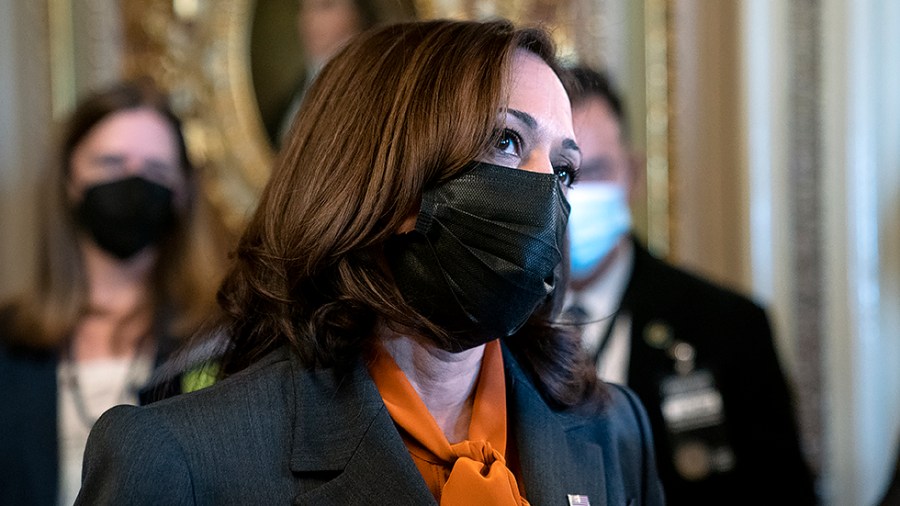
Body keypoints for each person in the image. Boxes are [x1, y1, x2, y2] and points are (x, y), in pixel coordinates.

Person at [75, 19, 665, 505]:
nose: (547, 192)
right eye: (507, 141)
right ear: (380, 175)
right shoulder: (180, 458)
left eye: (564, 170)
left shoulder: (611, 433)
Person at [561, 64, 818, 505]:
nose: (577, 196)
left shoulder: (728, 326)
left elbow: (785, 491)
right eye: (563, 173)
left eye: (597, 172)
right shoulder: (491, 323)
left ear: (633, 175)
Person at [0, 79, 229, 506]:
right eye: (110, 163)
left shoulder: (218, 342)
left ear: (180, 193)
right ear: (70, 180)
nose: (133, 183)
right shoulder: (9, 341)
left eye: (156, 171)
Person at [275, 0, 417, 145]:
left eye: (325, 6)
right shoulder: (293, 94)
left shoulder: (383, 86)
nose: (308, 19)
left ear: (360, 11)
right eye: (302, 8)